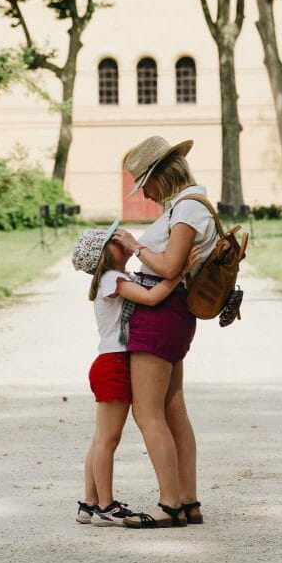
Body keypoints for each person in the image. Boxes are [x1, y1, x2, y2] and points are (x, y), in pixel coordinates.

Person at [113, 135, 217, 530]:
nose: (148, 194)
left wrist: (135, 246)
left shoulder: (188, 210)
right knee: (173, 410)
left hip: (159, 316)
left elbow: (171, 267)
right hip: (173, 315)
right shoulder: (188, 205)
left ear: (161, 175)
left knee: (147, 412)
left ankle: (169, 503)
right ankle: (187, 500)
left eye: (147, 184)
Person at [71, 219, 187, 527]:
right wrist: (179, 272)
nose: (121, 238)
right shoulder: (111, 279)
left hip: (111, 362)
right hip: (114, 363)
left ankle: (90, 502)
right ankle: (106, 506)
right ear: (104, 255)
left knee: (102, 438)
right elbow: (151, 298)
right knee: (108, 439)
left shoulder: (117, 276)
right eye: (113, 239)